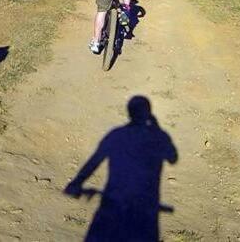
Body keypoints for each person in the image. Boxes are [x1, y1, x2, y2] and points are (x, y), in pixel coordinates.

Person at [64, 96, 178, 241]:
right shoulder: (159, 136)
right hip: (144, 206)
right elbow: (173, 158)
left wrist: (77, 182)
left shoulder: (115, 134)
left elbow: (95, 160)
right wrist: (157, 129)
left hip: (112, 202)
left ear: (129, 113)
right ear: (148, 113)